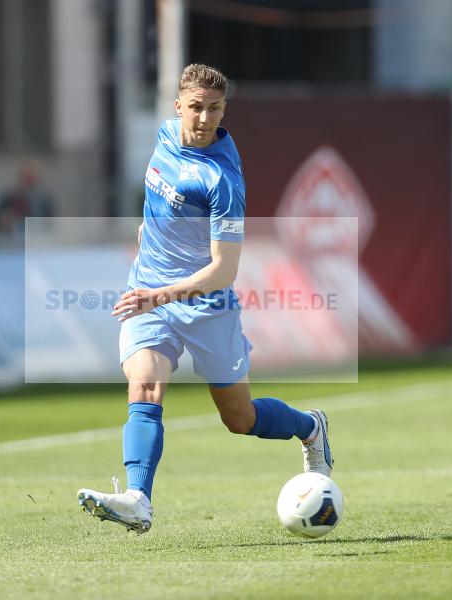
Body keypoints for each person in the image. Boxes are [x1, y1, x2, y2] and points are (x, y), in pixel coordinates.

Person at [77, 65, 333, 533]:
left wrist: (160, 294)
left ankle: (310, 427)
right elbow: (159, 201)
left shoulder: (223, 181)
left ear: (224, 110)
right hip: (149, 293)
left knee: (240, 418)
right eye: (195, 107)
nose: (203, 118)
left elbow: (224, 270)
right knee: (145, 385)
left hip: (204, 303)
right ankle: (138, 499)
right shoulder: (164, 135)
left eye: (214, 109)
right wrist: (149, 238)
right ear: (177, 107)